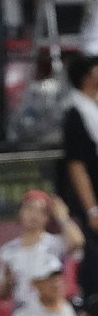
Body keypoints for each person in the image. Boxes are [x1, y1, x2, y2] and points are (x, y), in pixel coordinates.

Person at [0, 190, 83, 309]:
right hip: (24, 312)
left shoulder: (55, 243)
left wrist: (63, 216)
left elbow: (77, 242)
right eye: (29, 209)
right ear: (20, 212)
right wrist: (8, 282)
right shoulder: (8, 250)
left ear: (47, 217)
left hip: (53, 310)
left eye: (41, 211)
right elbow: (2, 295)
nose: (34, 215)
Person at [60, 54, 98, 301]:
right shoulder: (76, 113)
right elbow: (77, 166)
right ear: (87, 77)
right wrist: (92, 210)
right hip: (91, 201)